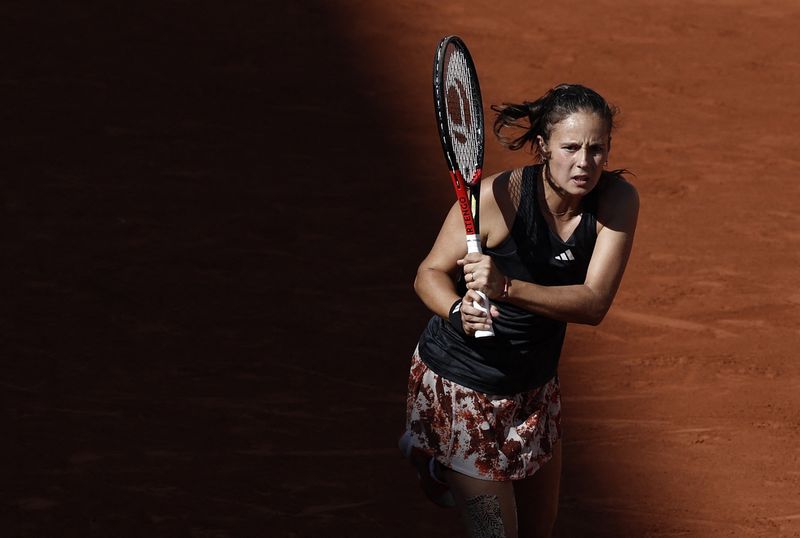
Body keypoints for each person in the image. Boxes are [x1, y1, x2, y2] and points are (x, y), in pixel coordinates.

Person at [399, 83, 639, 538]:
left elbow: (593, 304)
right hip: (462, 390)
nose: (584, 162)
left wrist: (505, 286)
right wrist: (456, 309)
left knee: (537, 529)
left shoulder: (616, 201)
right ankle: (445, 460)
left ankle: (438, 471)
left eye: (596, 149)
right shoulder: (494, 200)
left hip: (534, 390)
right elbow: (427, 273)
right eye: (570, 147)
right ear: (543, 147)